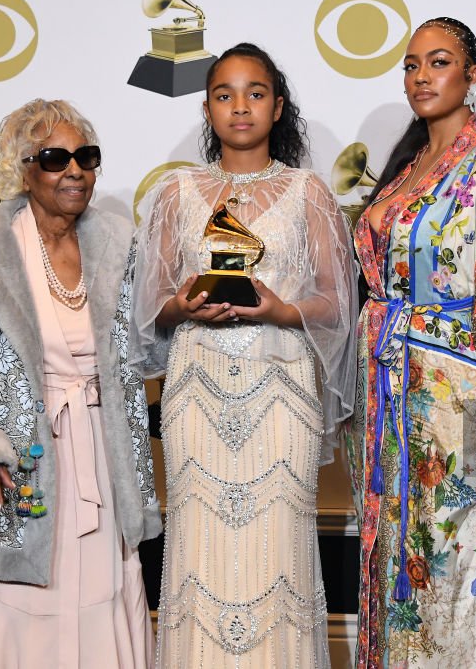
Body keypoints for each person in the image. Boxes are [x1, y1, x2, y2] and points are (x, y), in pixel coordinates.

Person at [0, 99, 161, 668]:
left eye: (86, 156)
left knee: (103, 595)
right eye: (55, 157)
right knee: (21, 605)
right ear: (22, 169)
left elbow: (145, 345)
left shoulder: (121, 247)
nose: (75, 170)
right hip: (21, 460)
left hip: (101, 457)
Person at [130, 43, 356, 668]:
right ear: (207, 108)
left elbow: (338, 305)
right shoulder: (175, 192)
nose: (240, 107)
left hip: (281, 390)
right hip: (196, 390)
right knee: (199, 546)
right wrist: (182, 303)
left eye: (255, 93)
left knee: (278, 549)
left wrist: (284, 310)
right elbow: (148, 308)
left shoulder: (309, 193)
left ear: (278, 106)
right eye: (224, 95)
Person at [348, 18, 476, 668]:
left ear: (473, 74)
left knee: (457, 565)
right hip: (387, 404)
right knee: (397, 567)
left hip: (455, 404)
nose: (420, 76)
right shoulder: (406, 170)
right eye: (411, 65)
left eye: (438, 62)